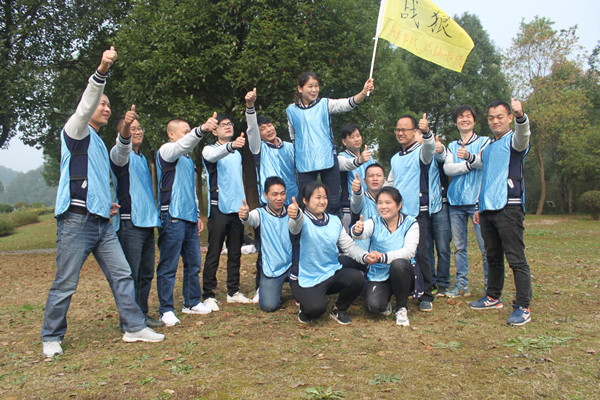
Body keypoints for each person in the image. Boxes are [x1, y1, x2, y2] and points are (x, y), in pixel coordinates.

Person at [42, 47, 164, 358]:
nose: (106, 108)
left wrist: (104, 202)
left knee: (122, 275)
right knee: (66, 282)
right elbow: (86, 104)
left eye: (109, 105)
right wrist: (102, 71)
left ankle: (134, 327)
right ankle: (51, 337)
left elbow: (112, 163)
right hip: (75, 221)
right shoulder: (75, 130)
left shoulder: (98, 142)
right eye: (102, 103)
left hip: (102, 223)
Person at [469, 99, 532, 326]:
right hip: (487, 209)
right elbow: (486, 178)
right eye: (491, 118)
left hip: (509, 207)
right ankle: (493, 297)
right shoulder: (488, 148)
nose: (495, 121)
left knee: (516, 258)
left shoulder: (515, 141)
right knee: (492, 256)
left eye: (500, 117)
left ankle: (523, 306)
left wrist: (521, 116)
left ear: (508, 118)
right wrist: (479, 206)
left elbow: (523, 134)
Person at [156, 116, 217, 326]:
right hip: (172, 216)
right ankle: (166, 309)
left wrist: (197, 214)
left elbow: (190, 189)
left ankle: (191, 302)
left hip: (189, 217)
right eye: (185, 131)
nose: (189, 134)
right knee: (169, 265)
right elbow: (183, 145)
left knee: (193, 263)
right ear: (171, 134)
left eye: (190, 131)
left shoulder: (187, 159)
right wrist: (202, 129)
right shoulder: (166, 151)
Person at [286, 72, 374, 216]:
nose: (314, 90)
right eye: (310, 86)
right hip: (304, 162)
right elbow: (293, 136)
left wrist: (364, 92)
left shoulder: (324, 104)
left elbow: (347, 104)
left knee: (333, 202)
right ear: (300, 89)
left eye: (316, 86)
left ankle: (336, 229)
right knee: (305, 202)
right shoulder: (291, 110)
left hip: (328, 159)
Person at [288, 182, 369, 325]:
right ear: (305, 201)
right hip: (304, 277)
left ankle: (338, 309)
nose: (322, 201)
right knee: (315, 310)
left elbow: (348, 246)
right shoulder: (301, 220)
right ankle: (305, 305)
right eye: (317, 197)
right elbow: (295, 225)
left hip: (330, 272)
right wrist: (295, 215)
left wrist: (365, 256)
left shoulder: (334, 220)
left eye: (324, 197)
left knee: (357, 278)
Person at [110, 112, 163, 328]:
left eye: (139, 128)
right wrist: (126, 128)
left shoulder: (141, 158)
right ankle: (128, 320)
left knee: (146, 274)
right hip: (129, 224)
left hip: (147, 223)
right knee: (130, 274)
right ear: (121, 133)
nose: (137, 131)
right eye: (132, 128)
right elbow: (121, 147)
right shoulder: (119, 156)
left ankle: (141, 314)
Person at [245, 88, 298, 303]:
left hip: (292, 202)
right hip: (269, 206)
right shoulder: (259, 148)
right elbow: (251, 130)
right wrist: (250, 107)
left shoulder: (290, 147)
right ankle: (261, 285)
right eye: (262, 128)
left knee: (295, 242)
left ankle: (297, 282)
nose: (268, 130)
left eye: (269, 125)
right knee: (264, 246)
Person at [386, 114, 436, 312]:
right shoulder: (395, 158)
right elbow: (390, 183)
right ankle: (406, 289)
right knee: (401, 253)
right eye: (397, 129)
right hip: (399, 215)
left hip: (417, 212)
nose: (400, 133)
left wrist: (427, 132)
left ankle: (426, 294)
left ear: (415, 131)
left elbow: (430, 148)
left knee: (421, 253)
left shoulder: (421, 152)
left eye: (405, 129)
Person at [202, 115, 252, 310]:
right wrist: (231, 146)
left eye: (230, 124)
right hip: (219, 208)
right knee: (214, 252)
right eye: (223, 125)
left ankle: (233, 291)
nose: (228, 127)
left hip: (236, 209)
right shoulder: (210, 149)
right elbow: (212, 157)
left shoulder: (237, 154)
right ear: (214, 131)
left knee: (235, 252)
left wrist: (244, 205)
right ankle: (208, 294)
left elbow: (238, 182)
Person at [351, 187, 419, 326]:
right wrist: (357, 230)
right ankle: (386, 298)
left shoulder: (411, 223)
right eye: (380, 203)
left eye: (388, 202)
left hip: (403, 272)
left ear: (399, 205)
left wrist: (383, 257)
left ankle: (401, 307)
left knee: (398, 264)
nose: (383, 207)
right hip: (379, 273)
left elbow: (409, 252)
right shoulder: (374, 221)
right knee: (374, 307)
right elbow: (361, 233)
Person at [444, 105, 490, 298]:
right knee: (459, 247)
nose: (465, 119)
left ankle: (490, 286)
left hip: (478, 202)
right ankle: (462, 284)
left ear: (474, 120)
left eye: (468, 116)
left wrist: (469, 158)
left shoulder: (485, 141)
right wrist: (470, 164)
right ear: (456, 122)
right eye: (461, 117)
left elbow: (485, 162)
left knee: (485, 246)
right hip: (455, 202)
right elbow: (448, 169)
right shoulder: (451, 146)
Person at [239, 177, 292, 312]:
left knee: (307, 298)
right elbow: (249, 219)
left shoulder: (292, 213)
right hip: (271, 268)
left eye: (282, 193)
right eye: (274, 194)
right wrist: (245, 216)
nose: (279, 198)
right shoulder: (259, 214)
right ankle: (267, 289)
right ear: (265, 195)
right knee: (268, 306)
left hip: (294, 266)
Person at [338, 123, 373, 232]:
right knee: (350, 237)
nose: (356, 139)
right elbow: (345, 164)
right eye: (352, 137)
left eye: (358, 135)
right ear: (344, 141)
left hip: (370, 204)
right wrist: (359, 160)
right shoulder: (341, 157)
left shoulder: (369, 158)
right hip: (350, 208)